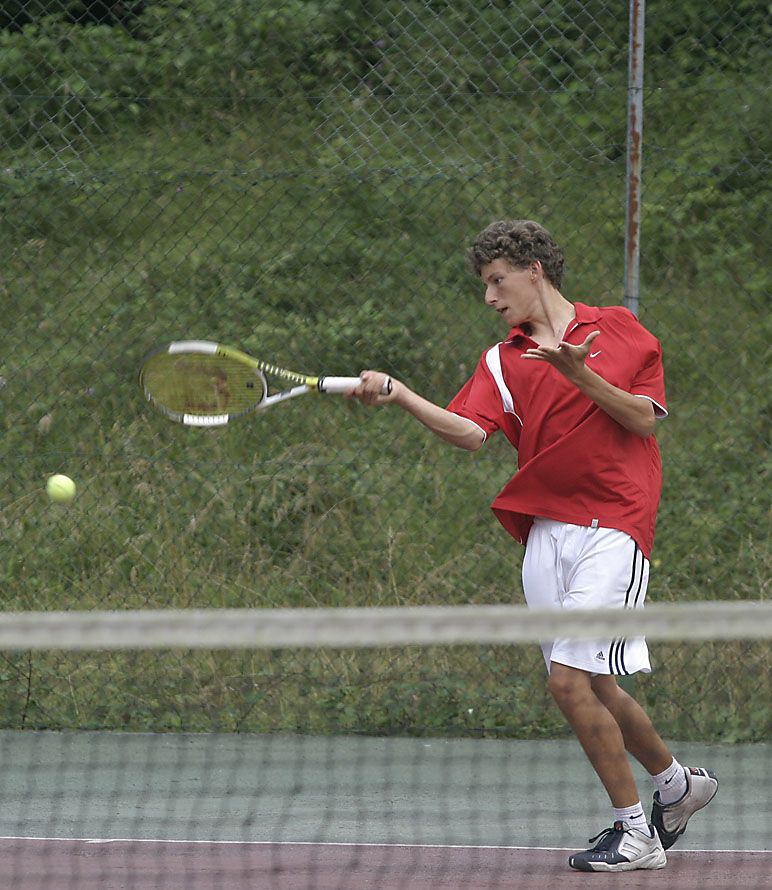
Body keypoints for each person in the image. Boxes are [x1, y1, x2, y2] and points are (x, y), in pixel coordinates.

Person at [349, 219, 718, 873]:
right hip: (545, 534)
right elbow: (470, 432)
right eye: (485, 285)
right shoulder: (500, 358)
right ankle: (677, 787)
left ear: (533, 270)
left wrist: (581, 376)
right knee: (596, 683)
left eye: (498, 281)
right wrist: (403, 395)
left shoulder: (619, 332)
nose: (490, 297)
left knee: (567, 681)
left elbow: (642, 418)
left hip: (616, 526)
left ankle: (634, 833)